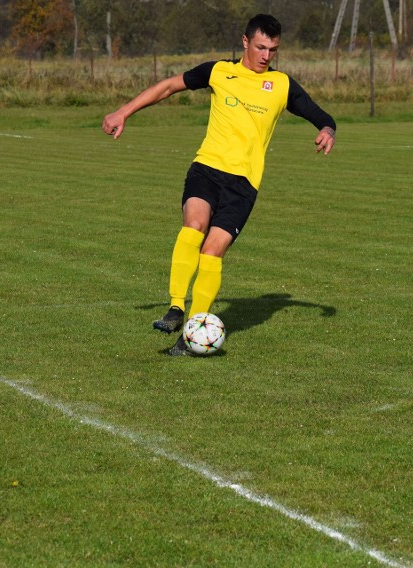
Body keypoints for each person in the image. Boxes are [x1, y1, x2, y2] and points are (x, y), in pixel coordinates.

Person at [102, 14, 336, 355]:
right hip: (207, 169)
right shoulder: (218, 71)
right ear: (245, 42)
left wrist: (328, 130)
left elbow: (321, 115)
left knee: (212, 251)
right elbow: (168, 86)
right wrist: (124, 111)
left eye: (273, 49)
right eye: (260, 47)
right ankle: (176, 307)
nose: (266, 55)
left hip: (244, 184)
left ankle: (192, 331)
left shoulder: (282, 86)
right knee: (193, 226)